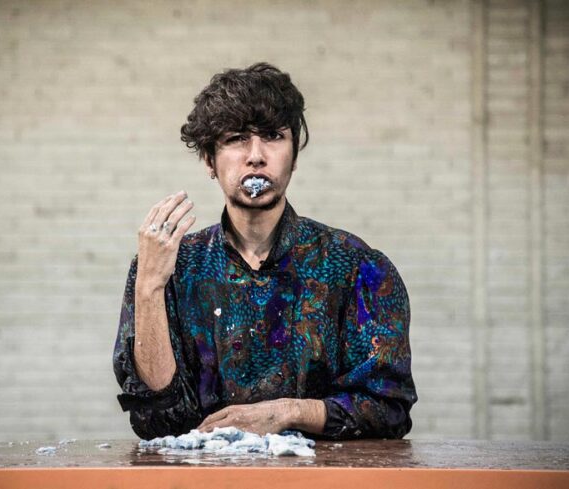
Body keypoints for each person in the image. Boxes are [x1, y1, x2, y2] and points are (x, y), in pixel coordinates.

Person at [113, 62, 417, 440]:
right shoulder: (174, 266)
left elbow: (390, 410)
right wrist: (149, 286)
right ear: (209, 160)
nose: (256, 155)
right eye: (237, 138)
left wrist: (288, 412)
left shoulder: (356, 267)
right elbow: (155, 420)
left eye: (273, 136)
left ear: (294, 156)